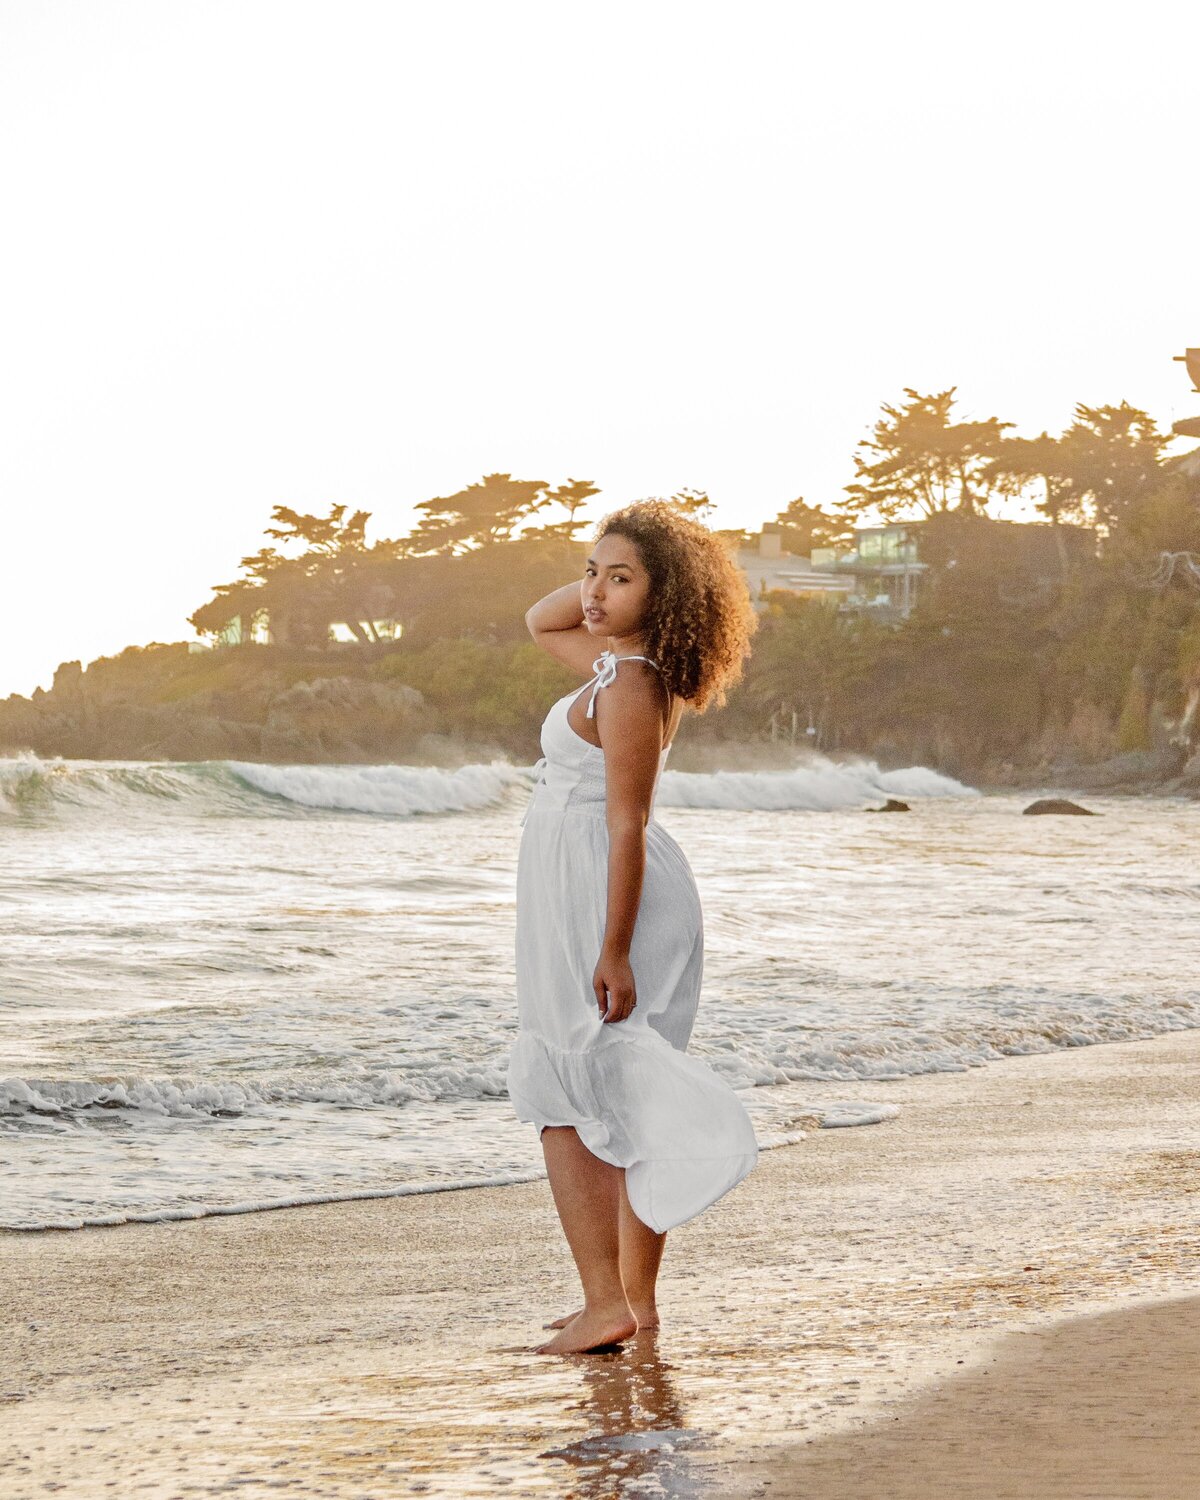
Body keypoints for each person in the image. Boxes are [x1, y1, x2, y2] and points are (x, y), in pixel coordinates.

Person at [506, 498, 760, 1356]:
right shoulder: (619, 668)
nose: (593, 592)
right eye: (591, 571)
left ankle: (603, 1301)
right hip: (584, 886)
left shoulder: (631, 681)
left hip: (601, 892)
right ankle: (631, 1302)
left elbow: (626, 821)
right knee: (623, 1090)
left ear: (666, 597)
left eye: (622, 579)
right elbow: (540, 618)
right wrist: (609, 577)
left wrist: (612, 948)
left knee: (568, 1094)